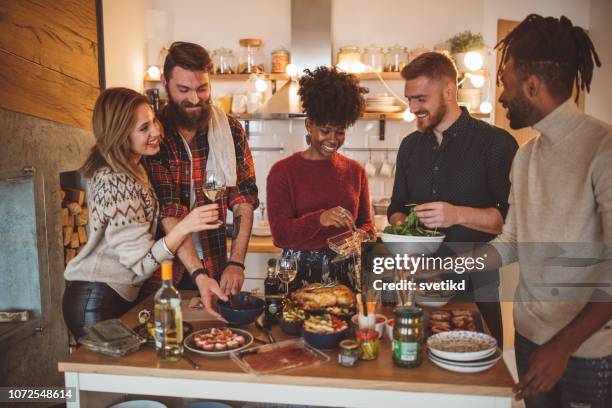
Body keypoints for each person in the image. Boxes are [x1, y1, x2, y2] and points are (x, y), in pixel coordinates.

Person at [494, 14, 611, 407]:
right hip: (529, 338)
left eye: (506, 85)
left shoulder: (603, 149)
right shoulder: (525, 156)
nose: (501, 97)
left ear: (532, 85)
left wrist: (562, 347)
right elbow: (510, 243)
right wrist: (447, 269)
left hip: (588, 353)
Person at [63, 87, 220, 339]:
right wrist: (185, 226)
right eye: (144, 128)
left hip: (109, 295)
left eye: (154, 122)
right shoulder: (115, 179)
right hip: (96, 300)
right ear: (120, 134)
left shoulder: (133, 170)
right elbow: (143, 263)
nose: (157, 131)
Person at [387, 52, 518, 346]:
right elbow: (396, 207)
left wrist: (457, 214)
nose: (412, 108)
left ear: (449, 91)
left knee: (482, 378)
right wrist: (406, 229)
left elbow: (508, 223)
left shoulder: (496, 143)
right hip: (418, 285)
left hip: (475, 286)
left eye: (421, 99)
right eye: (409, 99)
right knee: (414, 367)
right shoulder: (409, 146)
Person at [146, 42, 259, 320]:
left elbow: (243, 200)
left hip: (217, 262)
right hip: (168, 270)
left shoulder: (230, 130)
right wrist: (197, 273)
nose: (195, 99)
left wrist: (236, 262)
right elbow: (169, 210)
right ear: (165, 83)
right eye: (184, 90)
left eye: (202, 89)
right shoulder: (155, 137)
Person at [266, 66, 374, 291]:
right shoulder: (283, 172)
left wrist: (364, 236)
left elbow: (366, 224)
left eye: (340, 131)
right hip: (298, 273)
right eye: (325, 131)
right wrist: (320, 219)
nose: (333, 139)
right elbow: (280, 235)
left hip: (347, 272)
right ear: (309, 124)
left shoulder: (355, 171)